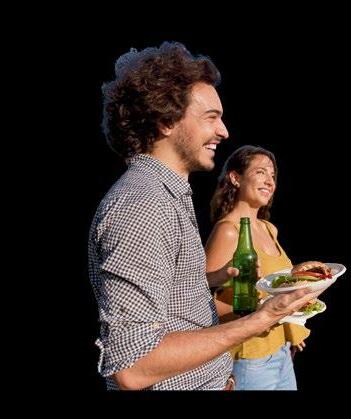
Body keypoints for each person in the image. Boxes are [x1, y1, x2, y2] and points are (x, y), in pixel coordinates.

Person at [88, 42, 322, 390]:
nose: (224, 131)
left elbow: (172, 302)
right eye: (211, 117)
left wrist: (212, 281)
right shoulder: (142, 205)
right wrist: (262, 318)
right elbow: (133, 365)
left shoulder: (167, 196)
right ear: (166, 121)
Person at [205, 145, 309, 390]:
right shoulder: (229, 231)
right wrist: (259, 312)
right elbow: (203, 301)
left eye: (272, 175)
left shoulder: (268, 228)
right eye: (261, 172)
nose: (270, 181)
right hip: (249, 359)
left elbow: (276, 286)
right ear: (235, 178)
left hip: (282, 351)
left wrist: (292, 325)